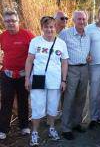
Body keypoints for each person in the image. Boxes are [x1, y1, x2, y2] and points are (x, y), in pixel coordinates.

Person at [25, 16, 69, 146]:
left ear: (55, 27)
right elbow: (29, 60)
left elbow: (65, 62)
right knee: (37, 107)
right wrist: (27, 78)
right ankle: (35, 132)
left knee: (53, 107)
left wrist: (63, 80)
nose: (49, 29)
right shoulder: (35, 41)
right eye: (46, 27)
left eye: (51, 26)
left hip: (55, 80)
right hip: (38, 79)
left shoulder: (61, 43)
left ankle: (51, 128)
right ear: (42, 28)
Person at [0, 9, 35, 140]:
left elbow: (37, 53)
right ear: (4, 22)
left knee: (23, 101)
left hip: (23, 75)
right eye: (7, 21)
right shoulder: (2, 36)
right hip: (7, 75)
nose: (10, 23)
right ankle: (3, 129)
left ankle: (24, 126)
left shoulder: (27, 35)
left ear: (18, 21)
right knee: (6, 102)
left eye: (13, 21)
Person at [60, 11, 91, 140]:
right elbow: (58, 52)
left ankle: (76, 123)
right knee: (69, 99)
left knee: (81, 99)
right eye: (79, 19)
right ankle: (66, 128)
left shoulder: (88, 34)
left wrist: (89, 56)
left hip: (84, 68)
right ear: (73, 20)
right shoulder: (65, 34)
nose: (82, 21)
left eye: (84, 19)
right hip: (71, 69)